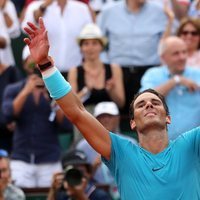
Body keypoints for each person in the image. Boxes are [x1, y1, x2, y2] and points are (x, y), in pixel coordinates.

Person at [24, 17, 200, 200]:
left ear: (168, 118)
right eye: (141, 104)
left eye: (155, 102)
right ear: (132, 123)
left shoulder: (192, 143)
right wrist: (45, 65)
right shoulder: (121, 151)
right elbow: (77, 112)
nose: (148, 104)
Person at [1, 45, 65, 188]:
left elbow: (66, 123)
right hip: (21, 159)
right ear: (25, 65)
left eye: (38, 62)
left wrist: (53, 97)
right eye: (31, 62)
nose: (35, 66)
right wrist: (25, 91)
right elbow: (7, 116)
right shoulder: (14, 89)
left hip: (50, 159)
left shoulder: (55, 89)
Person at [97, 0, 168, 127]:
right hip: (118, 72)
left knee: (149, 115)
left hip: (149, 71)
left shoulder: (159, 11)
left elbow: (166, 42)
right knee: (118, 117)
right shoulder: (109, 11)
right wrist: (107, 66)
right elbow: (99, 40)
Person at [140, 36, 200, 139]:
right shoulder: (152, 75)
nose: (182, 57)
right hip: (160, 144)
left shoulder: (197, 75)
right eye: (176, 54)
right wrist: (175, 81)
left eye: (184, 52)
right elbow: (145, 99)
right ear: (163, 58)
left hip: (194, 145)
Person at [21, 0, 93, 76]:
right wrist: (43, 7)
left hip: (75, 71)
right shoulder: (35, 6)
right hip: (45, 71)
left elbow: (90, 35)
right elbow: (26, 29)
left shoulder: (82, 8)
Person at [68, 23, 125, 109]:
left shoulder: (114, 69)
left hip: (108, 118)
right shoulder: (74, 71)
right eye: (86, 44)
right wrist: (86, 91)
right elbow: (72, 105)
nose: (90, 48)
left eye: (94, 43)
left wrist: (111, 91)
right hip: (85, 118)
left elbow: (121, 103)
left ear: (101, 46)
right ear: (81, 48)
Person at [47, 149, 112, 200]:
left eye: (80, 172)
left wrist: (81, 195)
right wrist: (53, 190)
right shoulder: (62, 195)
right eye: (73, 172)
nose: (76, 176)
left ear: (88, 174)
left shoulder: (100, 196)